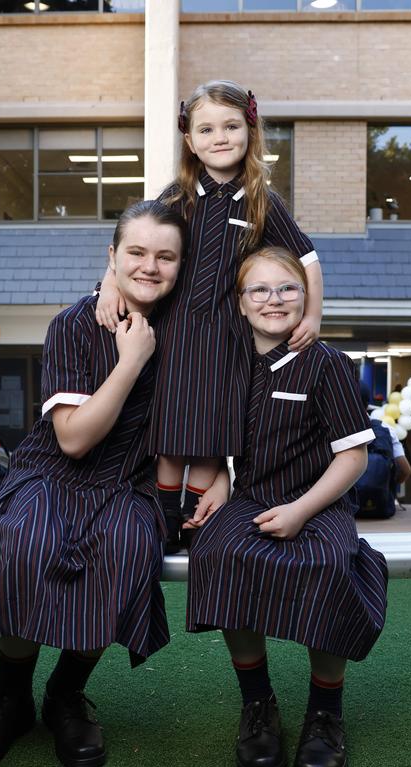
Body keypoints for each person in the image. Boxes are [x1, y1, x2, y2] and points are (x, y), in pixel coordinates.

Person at [0, 201, 187, 767]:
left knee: (121, 546)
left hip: (129, 480)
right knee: (27, 538)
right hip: (52, 470)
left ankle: (66, 693)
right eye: (136, 253)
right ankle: (13, 697)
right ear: (112, 258)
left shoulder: (189, 330)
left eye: (166, 256)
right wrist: (130, 362)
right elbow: (72, 439)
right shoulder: (75, 323)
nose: (150, 266)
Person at [188, 248, 388, 767]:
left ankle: (326, 713)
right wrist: (223, 480)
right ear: (240, 302)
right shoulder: (227, 365)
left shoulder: (329, 364)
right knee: (219, 551)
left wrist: (301, 511)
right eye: (260, 290)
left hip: (319, 504)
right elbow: (220, 440)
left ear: (306, 297)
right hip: (251, 497)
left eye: (287, 289)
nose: (273, 300)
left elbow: (354, 458)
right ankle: (258, 705)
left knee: (325, 564)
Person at [96, 80, 324, 552]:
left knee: (210, 438)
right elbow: (138, 239)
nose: (219, 137)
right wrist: (110, 283)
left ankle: (196, 526)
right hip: (176, 334)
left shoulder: (263, 199)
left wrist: (313, 317)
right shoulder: (178, 195)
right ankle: (162, 523)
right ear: (190, 139)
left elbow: (307, 260)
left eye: (231, 126)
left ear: (250, 130)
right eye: (206, 128)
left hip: (227, 339)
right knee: (172, 436)